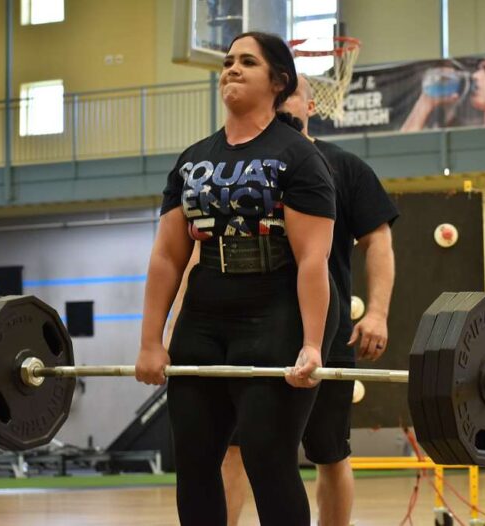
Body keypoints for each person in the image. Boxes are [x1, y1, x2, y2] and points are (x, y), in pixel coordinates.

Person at [134, 32, 339, 526]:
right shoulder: (192, 160)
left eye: (248, 62)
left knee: (267, 457)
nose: (232, 69)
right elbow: (167, 257)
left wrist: (312, 344)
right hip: (205, 314)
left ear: (278, 81)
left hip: (276, 312)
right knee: (194, 460)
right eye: (228, 61)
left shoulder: (299, 157)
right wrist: (150, 342)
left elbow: (313, 259)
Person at [222, 74, 399, 526]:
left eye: (292, 95)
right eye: (275, 95)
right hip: (250, 333)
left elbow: (378, 241)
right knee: (235, 448)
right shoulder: (237, 168)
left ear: (311, 106)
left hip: (326, 332)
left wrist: (377, 314)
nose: (283, 103)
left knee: (329, 451)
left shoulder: (346, 168)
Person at [401, 58, 485, 132]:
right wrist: (425, 102)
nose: (475, 76)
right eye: (478, 70)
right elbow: (400, 155)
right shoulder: (467, 138)